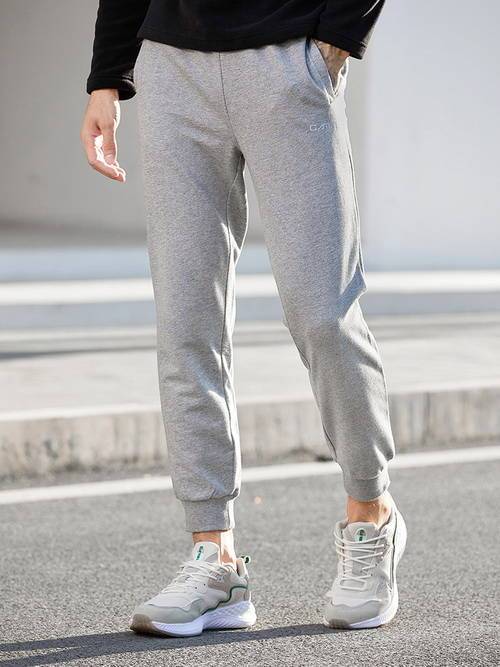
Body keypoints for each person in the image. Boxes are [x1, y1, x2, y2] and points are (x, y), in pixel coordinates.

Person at [81, 0, 407, 637]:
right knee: (186, 321)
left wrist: (337, 37)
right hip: (173, 68)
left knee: (323, 313)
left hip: (287, 57)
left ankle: (371, 514)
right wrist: (106, 76)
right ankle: (216, 561)